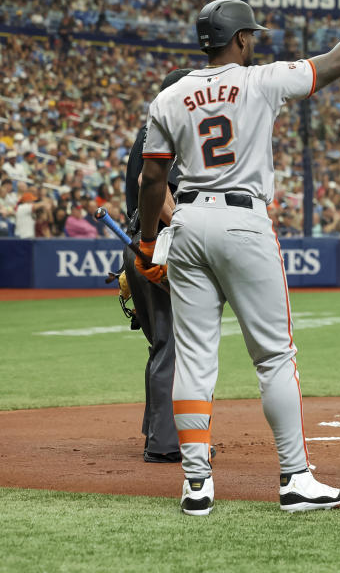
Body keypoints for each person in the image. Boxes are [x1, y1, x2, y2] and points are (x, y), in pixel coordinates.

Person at [136, 0, 340, 516]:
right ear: (240, 40)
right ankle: (294, 478)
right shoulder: (260, 79)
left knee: (193, 357)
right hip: (242, 220)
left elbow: (150, 179)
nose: (254, 42)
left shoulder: (170, 96)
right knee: (274, 356)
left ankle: (196, 486)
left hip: (187, 223)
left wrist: (149, 242)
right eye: (251, 36)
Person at [124, 67, 192, 463]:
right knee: (174, 345)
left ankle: (156, 429)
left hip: (138, 244)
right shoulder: (170, 134)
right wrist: (188, 225)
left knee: (161, 344)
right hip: (158, 248)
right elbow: (155, 188)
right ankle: (167, 441)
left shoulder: (146, 134)